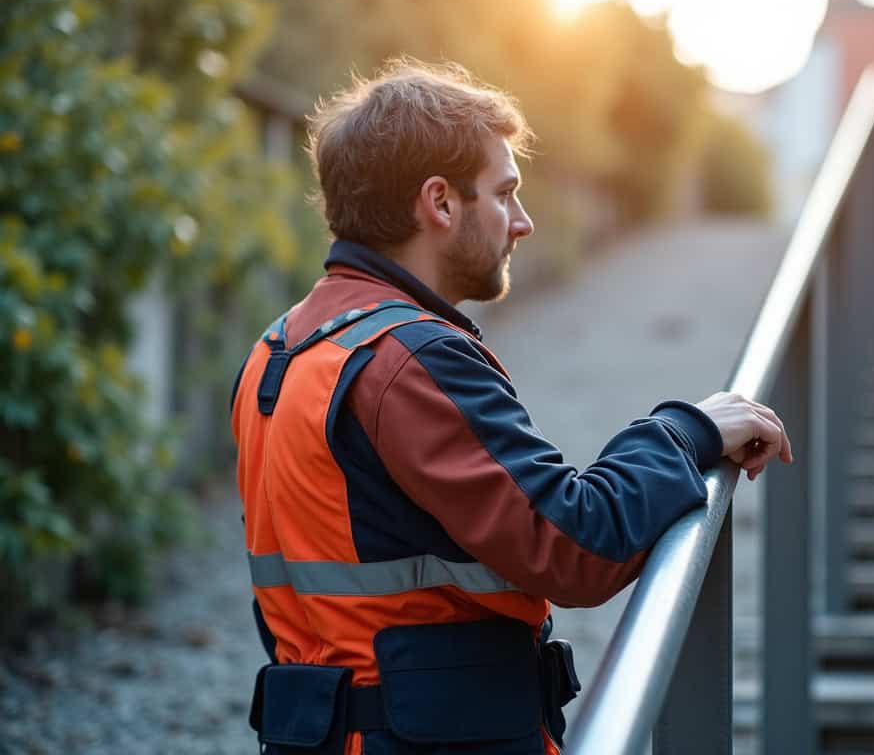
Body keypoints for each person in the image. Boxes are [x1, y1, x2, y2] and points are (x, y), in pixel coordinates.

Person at [231, 58, 792, 755]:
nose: (523, 223)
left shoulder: (280, 350)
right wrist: (687, 432)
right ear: (439, 203)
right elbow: (573, 544)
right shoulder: (408, 359)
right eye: (505, 194)